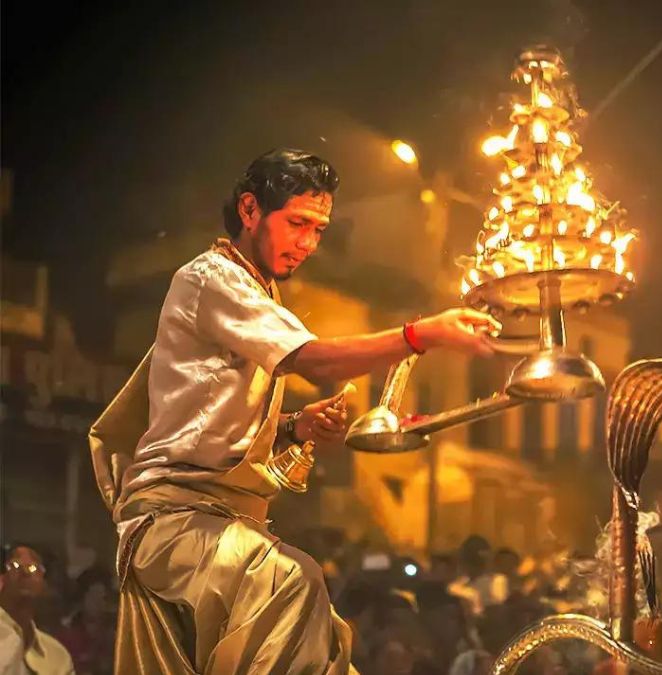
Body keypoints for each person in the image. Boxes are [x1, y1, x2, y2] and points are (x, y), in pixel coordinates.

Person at [89, 148, 500, 674]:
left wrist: (293, 427)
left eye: (320, 229)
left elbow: (207, 409)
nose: (308, 243)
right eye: (298, 223)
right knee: (293, 580)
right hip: (174, 519)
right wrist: (418, 336)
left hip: (228, 521)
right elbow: (315, 361)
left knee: (321, 636)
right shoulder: (212, 277)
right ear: (249, 209)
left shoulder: (262, 294)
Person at [0, 544, 74, 675]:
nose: (25, 572)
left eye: (33, 568)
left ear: (45, 585)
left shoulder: (57, 656)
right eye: (15, 565)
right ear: (1, 579)